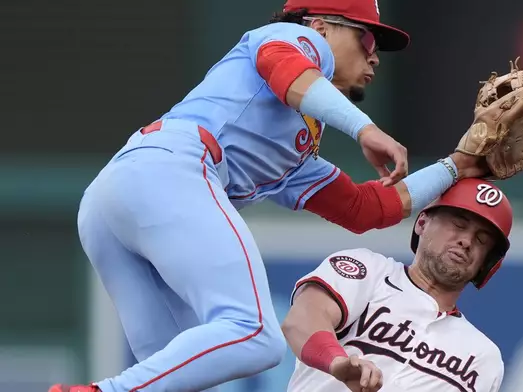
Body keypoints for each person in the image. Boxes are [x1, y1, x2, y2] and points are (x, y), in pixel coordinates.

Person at [49, 0, 488, 391]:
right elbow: (285, 69)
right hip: (173, 169)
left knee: (172, 373)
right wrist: (364, 128)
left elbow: (367, 208)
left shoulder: (295, 147)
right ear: (320, 27)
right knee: (253, 333)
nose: (374, 54)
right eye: (365, 36)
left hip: (111, 201)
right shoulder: (293, 37)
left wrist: (456, 166)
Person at [282, 178, 512, 392]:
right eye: (458, 225)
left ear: (487, 263)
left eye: (481, 240)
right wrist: (336, 361)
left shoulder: (483, 358)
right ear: (422, 223)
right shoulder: (369, 270)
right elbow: (302, 318)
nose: (466, 241)